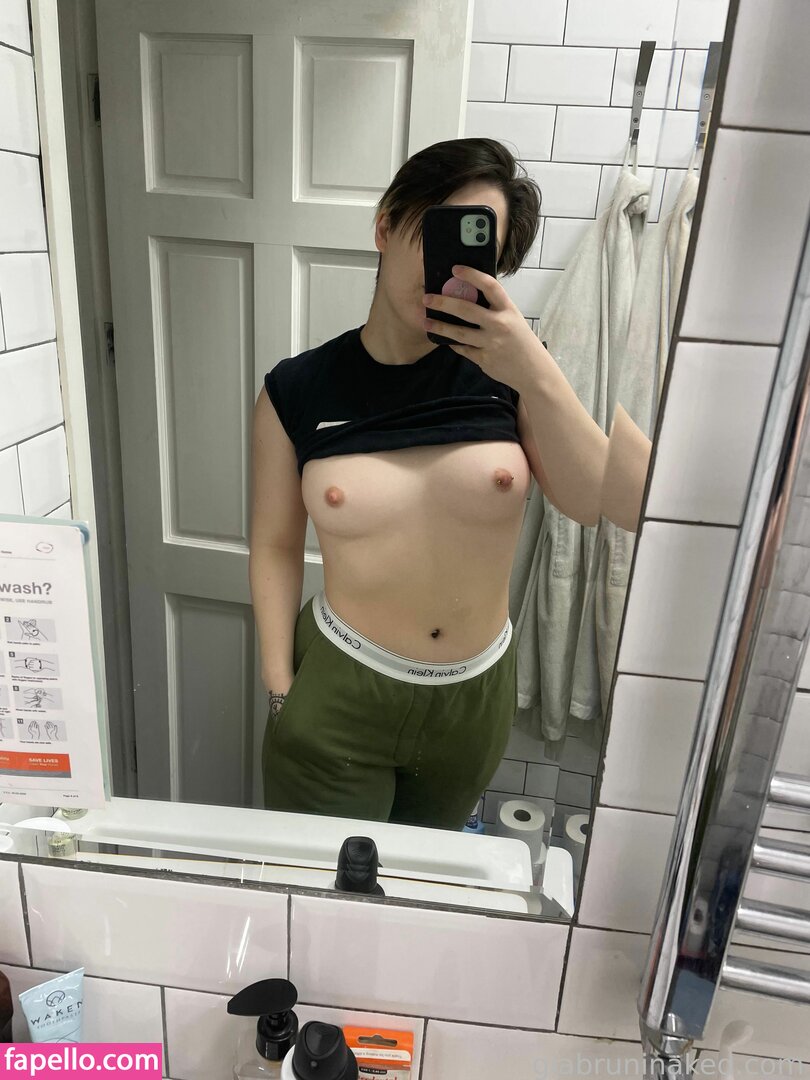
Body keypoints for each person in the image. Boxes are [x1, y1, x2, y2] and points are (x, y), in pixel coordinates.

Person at [248, 138, 619, 831]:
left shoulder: (512, 378)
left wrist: (534, 365)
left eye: (478, 251)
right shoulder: (296, 389)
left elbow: (596, 500)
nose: (446, 268)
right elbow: (273, 545)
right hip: (341, 684)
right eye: (439, 231)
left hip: (472, 701)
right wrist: (279, 688)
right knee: (328, 888)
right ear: (386, 226)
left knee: (427, 886)